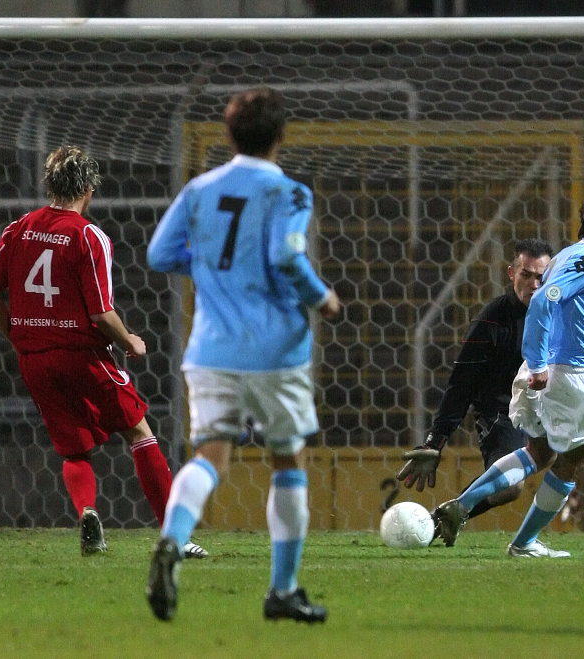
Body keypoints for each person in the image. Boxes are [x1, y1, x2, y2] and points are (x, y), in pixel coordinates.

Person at [145, 87, 341, 623]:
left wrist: (211, 268)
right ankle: (283, 591)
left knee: (210, 455)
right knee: (288, 459)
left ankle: (172, 540)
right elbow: (286, 256)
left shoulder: (199, 189)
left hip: (210, 349)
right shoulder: (289, 192)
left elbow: (160, 253)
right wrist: (322, 298)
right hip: (275, 351)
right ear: (281, 136)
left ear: (228, 135)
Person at [415, 192, 584, 557]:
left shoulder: (566, 256)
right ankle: (524, 543)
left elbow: (564, 319)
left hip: (553, 372)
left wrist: (552, 366)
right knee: (572, 462)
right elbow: (545, 301)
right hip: (566, 375)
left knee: (538, 453)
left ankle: (461, 505)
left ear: (582, 224)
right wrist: (540, 362)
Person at [0, 145, 206, 559]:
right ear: (88, 189)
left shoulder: (19, 228)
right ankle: (175, 536)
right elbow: (101, 313)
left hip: (35, 359)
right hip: (82, 355)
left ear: (50, 185)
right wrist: (130, 341)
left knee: (73, 447)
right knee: (139, 430)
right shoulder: (87, 235)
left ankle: (87, 512)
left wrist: (18, 335)